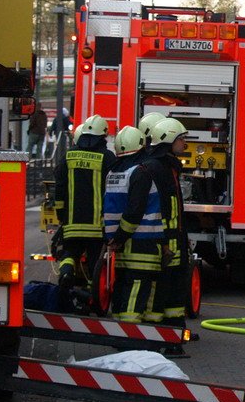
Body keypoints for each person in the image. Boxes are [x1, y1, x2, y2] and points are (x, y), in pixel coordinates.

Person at [119, 118, 191, 326]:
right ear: (168, 140)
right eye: (181, 139)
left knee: (168, 290)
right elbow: (159, 208)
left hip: (170, 241)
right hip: (164, 242)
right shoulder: (156, 169)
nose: (184, 144)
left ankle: (172, 331)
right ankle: (160, 333)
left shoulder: (166, 167)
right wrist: (168, 241)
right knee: (157, 290)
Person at [53, 114, 115, 304]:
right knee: (96, 262)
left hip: (72, 223)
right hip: (97, 226)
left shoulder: (68, 157)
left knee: (70, 253)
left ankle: (65, 273)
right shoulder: (107, 158)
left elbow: (60, 189)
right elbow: (114, 190)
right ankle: (91, 294)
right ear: (103, 136)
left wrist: (61, 216)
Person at [104, 126, 158, 323]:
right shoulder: (140, 172)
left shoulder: (113, 173)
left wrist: (114, 239)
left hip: (118, 243)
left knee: (122, 284)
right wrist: (122, 236)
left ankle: (119, 326)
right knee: (137, 285)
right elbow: (134, 210)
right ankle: (129, 334)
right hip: (140, 240)